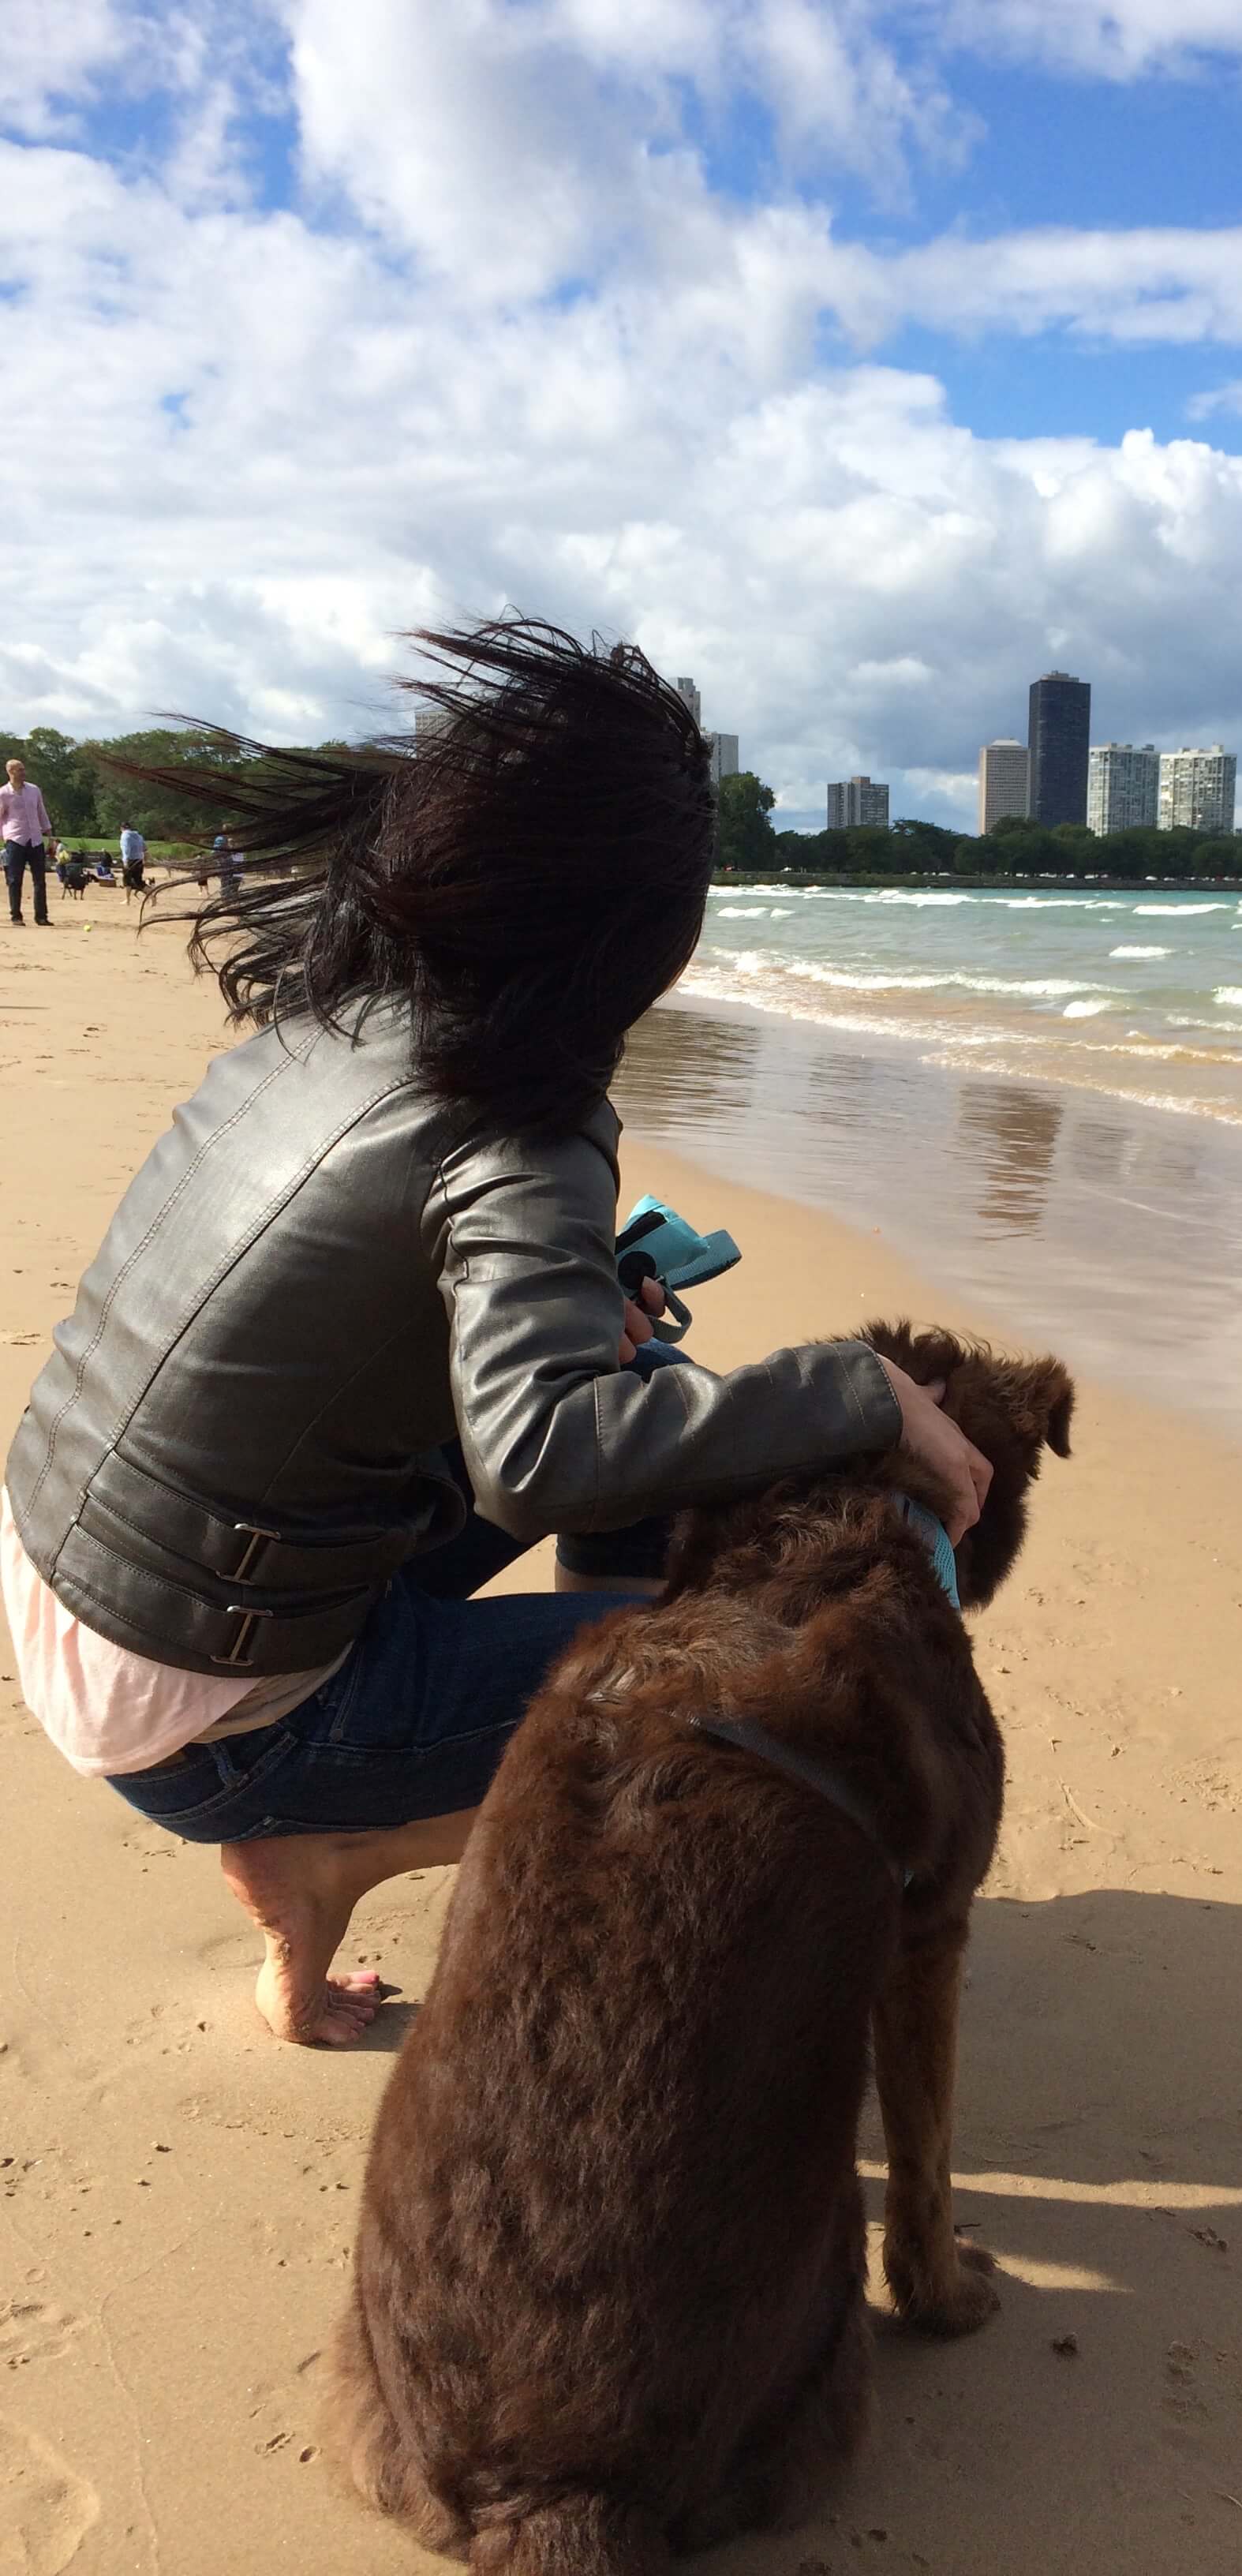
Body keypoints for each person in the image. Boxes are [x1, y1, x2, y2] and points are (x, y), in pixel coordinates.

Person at [1, 620, 991, 2047]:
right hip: (208, 1702)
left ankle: (385, 1813)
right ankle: (341, 1846)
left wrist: (579, 1290)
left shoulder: (333, 1014)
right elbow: (538, 1455)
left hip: (80, 1593)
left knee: (654, 1409)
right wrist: (862, 1389)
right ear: (628, 933)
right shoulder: (516, 1111)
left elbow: (377, 1331)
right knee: (784, 1674)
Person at [2, 755, 52, 926]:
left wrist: (49, 833)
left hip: (35, 838)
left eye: (24, 769)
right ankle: (16, 915)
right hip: (15, 839)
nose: (24, 773)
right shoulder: (3, 794)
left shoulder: (34, 790)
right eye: (20, 770)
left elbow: (41, 811)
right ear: (10, 772)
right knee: (15, 879)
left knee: (40, 879)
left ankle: (41, 916)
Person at [120, 822, 147, 897]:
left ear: (122, 828)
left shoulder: (125, 836)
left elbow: (126, 849)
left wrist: (125, 862)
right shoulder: (139, 836)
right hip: (139, 860)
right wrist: (145, 859)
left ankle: (128, 899)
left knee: (127, 881)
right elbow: (145, 849)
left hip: (130, 860)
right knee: (139, 882)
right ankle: (152, 895)